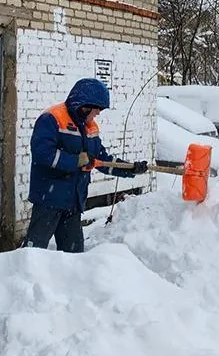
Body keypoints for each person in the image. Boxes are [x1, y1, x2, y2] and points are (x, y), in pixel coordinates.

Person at [23, 78, 147, 252]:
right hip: (49, 200)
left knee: (75, 256)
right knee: (34, 251)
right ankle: (25, 279)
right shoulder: (52, 119)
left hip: (73, 203)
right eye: (96, 110)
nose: (97, 114)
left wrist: (131, 168)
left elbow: (102, 159)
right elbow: (43, 154)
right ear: (84, 105)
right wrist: (77, 161)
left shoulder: (90, 128)